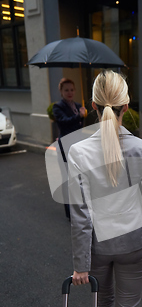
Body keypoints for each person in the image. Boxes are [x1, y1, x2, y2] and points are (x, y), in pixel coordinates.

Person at [67, 70, 142, 307]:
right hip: (135, 243)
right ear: (126, 105)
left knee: (104, 305)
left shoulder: (78, 152)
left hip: (99, 247)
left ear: (91, 105)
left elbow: (80, 213)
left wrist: (80, 264)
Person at [53, 78, 87, 220]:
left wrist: (82, 116)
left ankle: (80, 208)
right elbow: (64, 123)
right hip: (65, 147)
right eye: (66, 90)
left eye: (72, 89)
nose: (69, 92)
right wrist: (78, 116)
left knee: (79, 179)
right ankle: (70, 213)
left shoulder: (78, 106)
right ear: (61, 91)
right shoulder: (58, 107)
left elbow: (77, 127)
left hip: (77, 146)